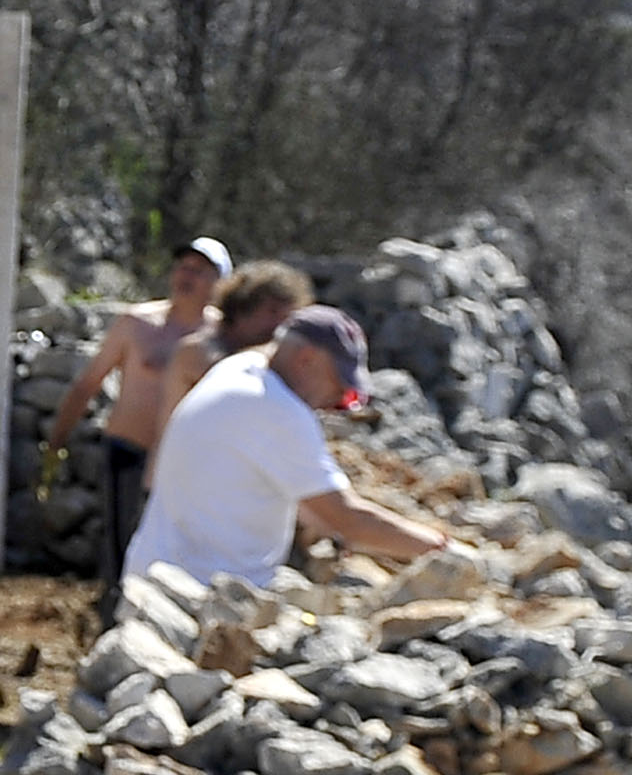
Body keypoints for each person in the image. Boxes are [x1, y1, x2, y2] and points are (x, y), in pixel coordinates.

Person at [123, 306, 447, 590]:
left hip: (157, 580)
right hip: (200, 596)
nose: (336, 405)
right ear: (307, 359)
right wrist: (437, 547)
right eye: (342, 390)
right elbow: (348, 519)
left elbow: (307, 502)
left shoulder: (240, 368)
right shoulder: (277, 409)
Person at [44, 237, 229, 586]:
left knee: (171, 551)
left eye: (199, 270)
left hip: (184, 462)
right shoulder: (137, 324)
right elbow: (89, 383)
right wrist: (57, 441)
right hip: (128, 453)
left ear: (217, 283)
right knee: (120, 546)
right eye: (183, 266)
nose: (186, 276)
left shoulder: (219, 338)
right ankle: (111, 620)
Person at [153, 259, 314, 439]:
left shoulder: (277, 362)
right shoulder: (197, 353)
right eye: (273, 311)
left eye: (289, 315)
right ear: (242, 309)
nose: (281, 324)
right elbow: (168, 431)